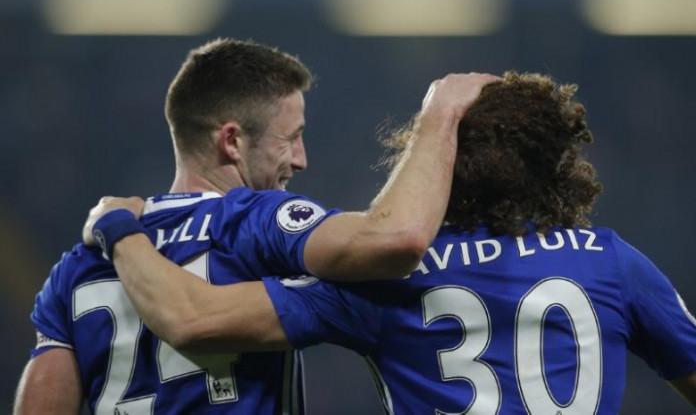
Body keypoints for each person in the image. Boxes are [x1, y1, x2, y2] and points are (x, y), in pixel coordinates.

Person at [80, 72, 696, 413]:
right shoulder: (611, 262)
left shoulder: (382, 282)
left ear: (435, 163)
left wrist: (119, 230)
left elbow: (191, 318)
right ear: (552, 166)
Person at [13, 36, 499, 414]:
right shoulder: (253, 219)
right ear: (232, 142)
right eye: (292, 138)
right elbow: (394, 238)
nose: (302, 160)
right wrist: (440, 115)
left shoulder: (77, 268)